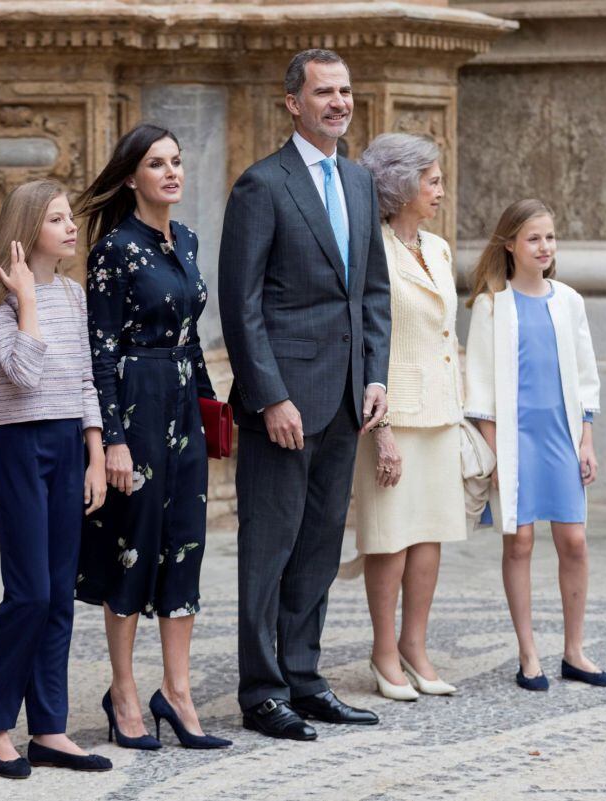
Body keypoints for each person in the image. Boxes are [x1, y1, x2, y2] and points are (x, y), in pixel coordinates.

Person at [218, 48, 391, 740]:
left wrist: (376, 374)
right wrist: (269, 396)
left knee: (320, 546)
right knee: (270, 547)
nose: (338, 103)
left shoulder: (358, 180)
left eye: (345, 91)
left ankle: (304, 677)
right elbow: (241, 303)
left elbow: (372, 292)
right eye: (324, 92)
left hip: (347, 397)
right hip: (285, 404)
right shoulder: (262, 186)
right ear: (293, 102)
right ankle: (262, 691)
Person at [74, 124, 232, 750]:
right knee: (132, 546)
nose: (172, 173)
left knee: (185, 545)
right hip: (136, 405)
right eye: (157, 164)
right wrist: (111, 439)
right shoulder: (113, 249)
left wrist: (213, 408)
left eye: (177, 162)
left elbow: (191, 335)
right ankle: (124, 690)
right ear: (132, 176)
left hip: (183, 407)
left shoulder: (187, 239)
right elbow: (100, 349)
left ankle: (179, 689)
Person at [0, 179, 112, 777]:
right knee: (27, 592)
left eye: (69, 218)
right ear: (29, 230)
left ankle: (49, 730)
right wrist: (26, 299)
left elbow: (84, 381)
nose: (71, 227)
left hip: (67, 445)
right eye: (57, 219)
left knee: (58, 594)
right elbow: (24, 377)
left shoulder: (76, 295)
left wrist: (97, 454)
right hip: (21, 448)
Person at [464, 199, 606, 692]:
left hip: (561, 438)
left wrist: (586, 440)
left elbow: (585, 375)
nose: (545, 247)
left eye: (550, 237)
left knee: (573, 539)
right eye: (534, 238)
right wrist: (494, 457)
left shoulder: (569, 300)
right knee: (521, 541)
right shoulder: (492, 305)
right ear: (510, 244)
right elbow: (481, 390)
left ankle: (574, 651)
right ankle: (529, 653)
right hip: (514, 441)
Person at [350, 132, 464, 701]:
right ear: (401, 184)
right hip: (391, 415)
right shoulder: (371, 247)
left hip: (441, 411)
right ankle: (382, 650)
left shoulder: (439, 249)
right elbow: (369, 338)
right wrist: (383, 429)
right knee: (389, 538)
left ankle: (415, 647)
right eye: (433, 180)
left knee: (430, 536)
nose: (440, 190)